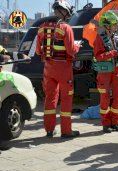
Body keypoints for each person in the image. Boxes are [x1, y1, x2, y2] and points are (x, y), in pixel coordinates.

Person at [36, 0, 80, 138]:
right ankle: (66, 131)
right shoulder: (66, 27)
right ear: (65, 11)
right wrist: (78, 46)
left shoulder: (42, 27)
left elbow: (38, 51)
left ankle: (49, 130)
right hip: (64, 69)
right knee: (66, 99)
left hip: (48, 69)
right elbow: (71, 50)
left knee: (50, 98)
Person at [93, 11, 118, 133]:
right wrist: (112, 53)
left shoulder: (116, 37)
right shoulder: (99, 38)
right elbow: (98, 56)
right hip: (104, 72)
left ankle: (115, 122)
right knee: (105, 98)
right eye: (114, 24)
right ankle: (106, 124)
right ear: (107, 25)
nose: (116, 26)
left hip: (116, 70)